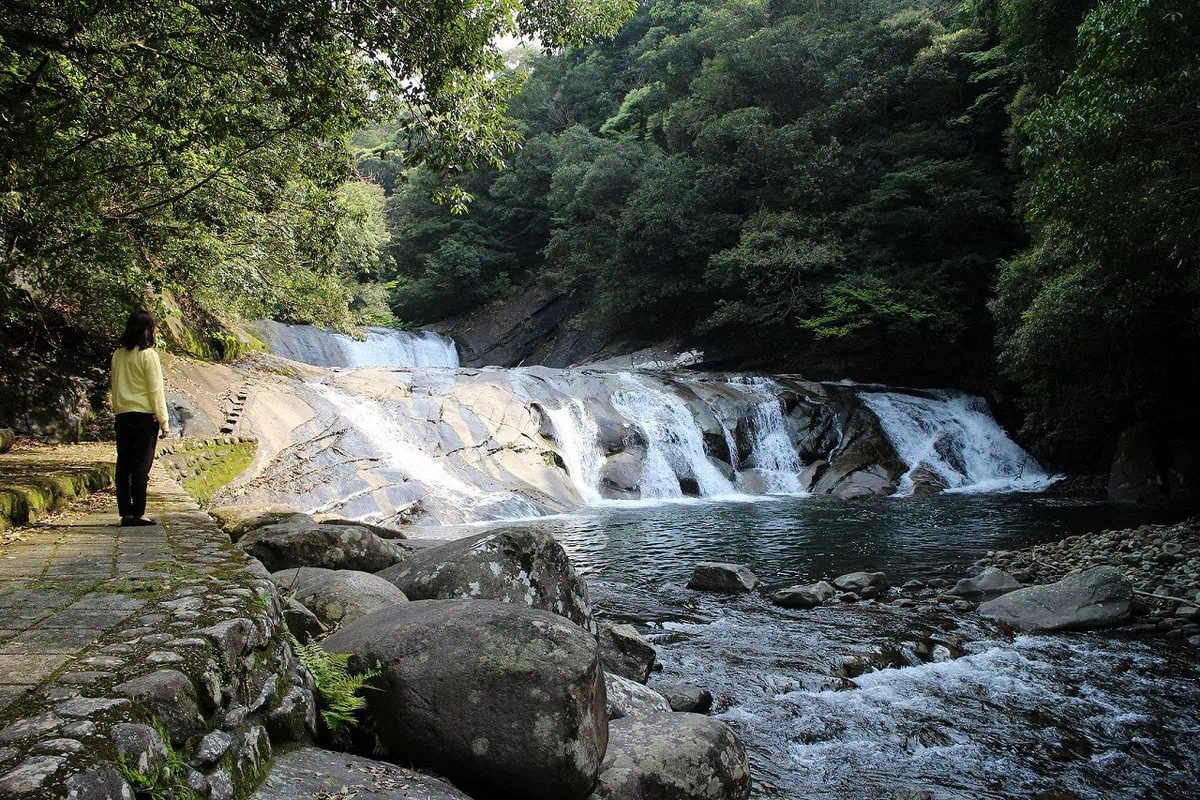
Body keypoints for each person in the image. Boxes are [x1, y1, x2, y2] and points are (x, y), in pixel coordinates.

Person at [110, 308, 169, 526]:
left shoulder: (118, 354)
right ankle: (139, 512)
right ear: (147, 330)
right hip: (145, 417)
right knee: (141, 467)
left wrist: (119, 409)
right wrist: (164, 421)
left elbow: (115, 385)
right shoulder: (148, 355)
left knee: (123, 465)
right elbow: (155, 390)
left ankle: (125, 513)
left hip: (123, 416)